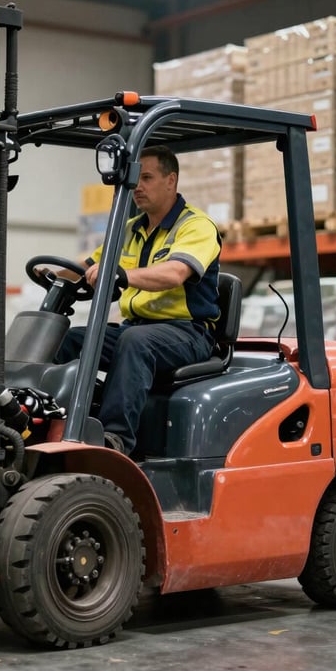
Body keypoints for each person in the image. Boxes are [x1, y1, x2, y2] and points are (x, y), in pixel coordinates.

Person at [54, 145, 221, 456]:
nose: (138, 187)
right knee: (69, 338)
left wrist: (123, 276)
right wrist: (53, 274)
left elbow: (175, 273)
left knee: (135, 342)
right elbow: (89, 266)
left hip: (188, 333)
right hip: (137, 327)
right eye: (135, 179)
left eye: (147, 177)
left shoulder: (196, 226)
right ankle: (50, 422)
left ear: (171, 181)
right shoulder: (131, 228)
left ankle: (114, 441)